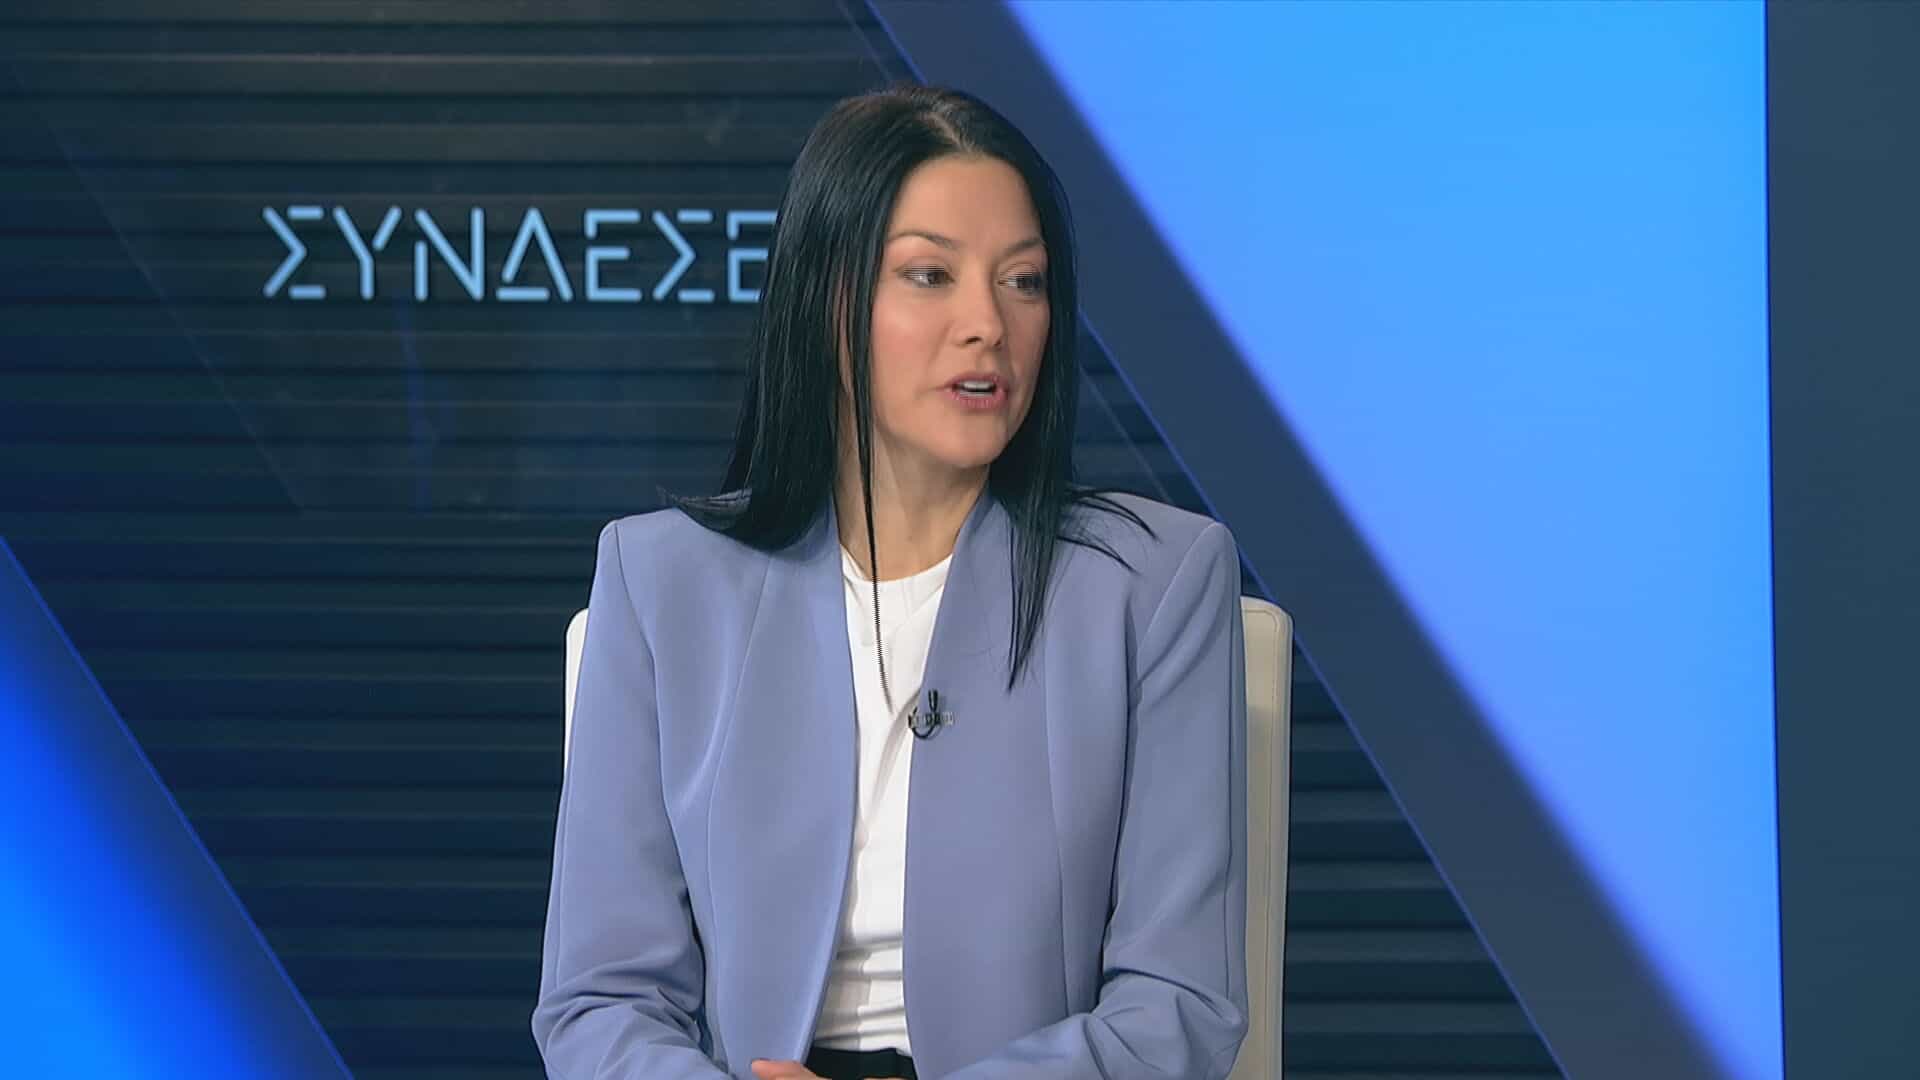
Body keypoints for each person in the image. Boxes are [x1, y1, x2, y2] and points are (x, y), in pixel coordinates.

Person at [532, 83, 1249, 1080]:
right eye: (929, 275)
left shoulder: (1155, 584)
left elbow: (1180, 1005)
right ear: (827, 298)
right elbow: (600, 1002)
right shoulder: (661, 583)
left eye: (1024, 281)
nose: (987, 324)